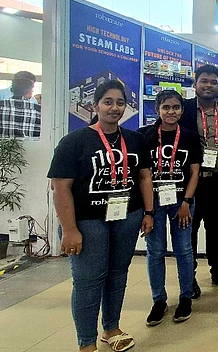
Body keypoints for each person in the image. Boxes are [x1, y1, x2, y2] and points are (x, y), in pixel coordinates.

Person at [48, 80, 155, 352]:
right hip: (87, 221)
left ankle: (111, 328)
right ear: (95, 106)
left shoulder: (135, 140)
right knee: (88, 281)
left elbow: (144, 177)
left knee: (118, 274)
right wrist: (69, 230)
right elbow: (60, 187)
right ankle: (86, 343)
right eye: (108, 102)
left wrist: (148, 212)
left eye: (120, 103)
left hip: (127, 217)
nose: (114, 108)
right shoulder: (75, 141)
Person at [138, 90, 201, 326]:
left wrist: (187, 202)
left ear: (182, 110)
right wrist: (148, 211)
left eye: (176, 107)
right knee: (155, 251)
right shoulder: (144, 136)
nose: (171, 112)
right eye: (166, 107)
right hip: (153, 201)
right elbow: (142, 175)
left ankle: (185, 296)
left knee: (184, 249)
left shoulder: (189, 137)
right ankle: (159, 300)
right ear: (158, 109)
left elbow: (194, 172)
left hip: (181, 201)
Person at [178, 65, 218, 297]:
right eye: (204, 81)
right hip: (190, 183)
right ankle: (189, 276)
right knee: (189, 231)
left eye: (213, 82)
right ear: (195, 84)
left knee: (216, 229)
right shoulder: (182, 111)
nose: (208, 86)